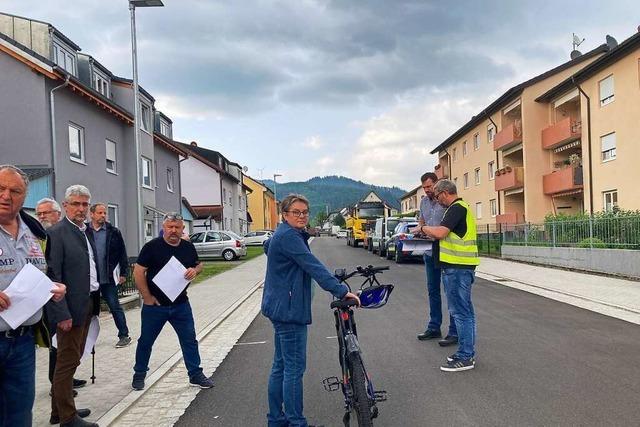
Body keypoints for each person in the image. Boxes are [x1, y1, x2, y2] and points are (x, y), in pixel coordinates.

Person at [261, 194, 360, 427]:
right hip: (288, 310)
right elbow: (312, 265)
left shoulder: (284, 234)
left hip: (279, 307)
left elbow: (270, 248)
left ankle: (276, 419)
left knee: (281, 366)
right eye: (296, 212)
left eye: (305, 212)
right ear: (285, 215)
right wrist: (340, 290)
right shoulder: (288, 237)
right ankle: (296, 423)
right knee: (293, 369)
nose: (302, 216)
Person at [0, 165, 66, 426]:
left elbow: (39, 274)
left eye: (14, 191)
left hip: (22, 342)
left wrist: (53, 289)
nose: (6, 196)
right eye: (1, 189)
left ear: (23, 197)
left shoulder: (36, 233)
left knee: (19, 416)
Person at [131, 213, 213, 391]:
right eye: (170, 227)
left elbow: (199, 264)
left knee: (189, 340)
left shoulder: (187, 247)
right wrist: (147, 298)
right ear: (164, 227)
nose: (173, 231)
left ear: (183, 228)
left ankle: (195, 374)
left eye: (177, 227)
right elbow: (138, 272)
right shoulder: (151, 247)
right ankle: (139, 374)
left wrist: (195, 270)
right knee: (146, 341)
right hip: (155, 306)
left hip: (181, 305)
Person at [46, 185, 100, 426]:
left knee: (73, 358)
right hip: (69, 308)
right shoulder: (57, 233)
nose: (81, 209)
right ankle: (67, 418)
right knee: (67, 362)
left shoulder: (85, 231)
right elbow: (53, 275)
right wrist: (61, 313)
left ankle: (59, 411)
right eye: (76, 204)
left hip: (87, 303)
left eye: (84, 204)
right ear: (65, 205)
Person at [421, 179, 480, 372]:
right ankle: (466, 352)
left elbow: (440, 232)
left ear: (445, 193)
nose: (437, 201)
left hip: (457, 269)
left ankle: (465, 356)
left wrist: (422, 228)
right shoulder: (460, 208)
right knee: (466, 313)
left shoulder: (456, 208)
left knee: (461, 313)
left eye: (438, 197)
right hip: (461, 268)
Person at [36, 198, 87, 394]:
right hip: (52, 303)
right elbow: (52, 274)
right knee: (58, 349)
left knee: (62, 351)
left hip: (63, 301)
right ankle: (59, 393)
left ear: (58, 213)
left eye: (45, 213)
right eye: (39, 214)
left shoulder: (68, 233)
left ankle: (60, 391)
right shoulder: (44, 235)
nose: (41, 217)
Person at [410, 173, 458, 346]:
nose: (427, 190)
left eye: (429, 186)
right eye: (424, 187)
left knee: (450, 292)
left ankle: (454, 331)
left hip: (445, 251)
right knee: (433, 291)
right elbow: (422, 221)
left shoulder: (445, 201)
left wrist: (429, 230)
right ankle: (434, 327)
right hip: (428, 252)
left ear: (437, 184)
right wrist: (417, 231)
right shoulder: (423, 202)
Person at [86, 203, 132, 348]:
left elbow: (122, 253)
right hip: (90, 278)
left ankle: (124, 335)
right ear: (91, 214)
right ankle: (86, 339)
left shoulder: (113, 232)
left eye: (104, 213)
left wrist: (124, 273)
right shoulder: (84, 231)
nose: (103, 215)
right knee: (88, 310)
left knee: (114, 306)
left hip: (108, 277)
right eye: (100, 213)